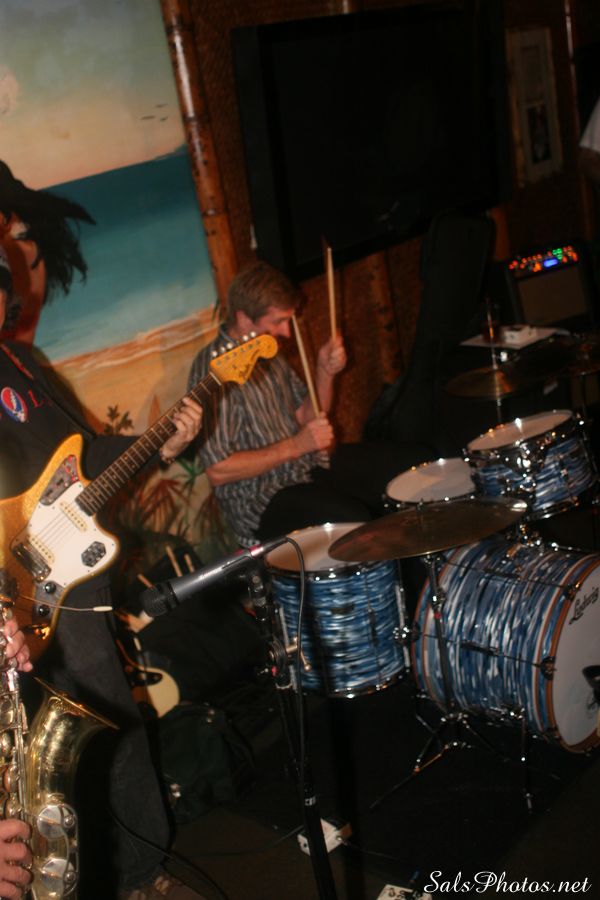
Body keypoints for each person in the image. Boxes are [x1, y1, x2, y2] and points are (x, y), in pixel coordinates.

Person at [0, 192, 206, 897]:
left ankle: (143, 872)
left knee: (112, 733)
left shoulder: (19, 364)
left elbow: (83, 457)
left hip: (69, 578)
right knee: (76, 759)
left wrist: (161, 443)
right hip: (19, 591)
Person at [188, 261, 422, 548]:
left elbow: (307, 415)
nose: (287, 332)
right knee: (352, 520)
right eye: (278, 322)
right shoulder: (212, 371)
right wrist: (297, 446)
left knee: (410, 464)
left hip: (304, 467)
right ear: (244, 319)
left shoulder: (266, 350)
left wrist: (325, 371)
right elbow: (218, 470)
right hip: (259, 499)